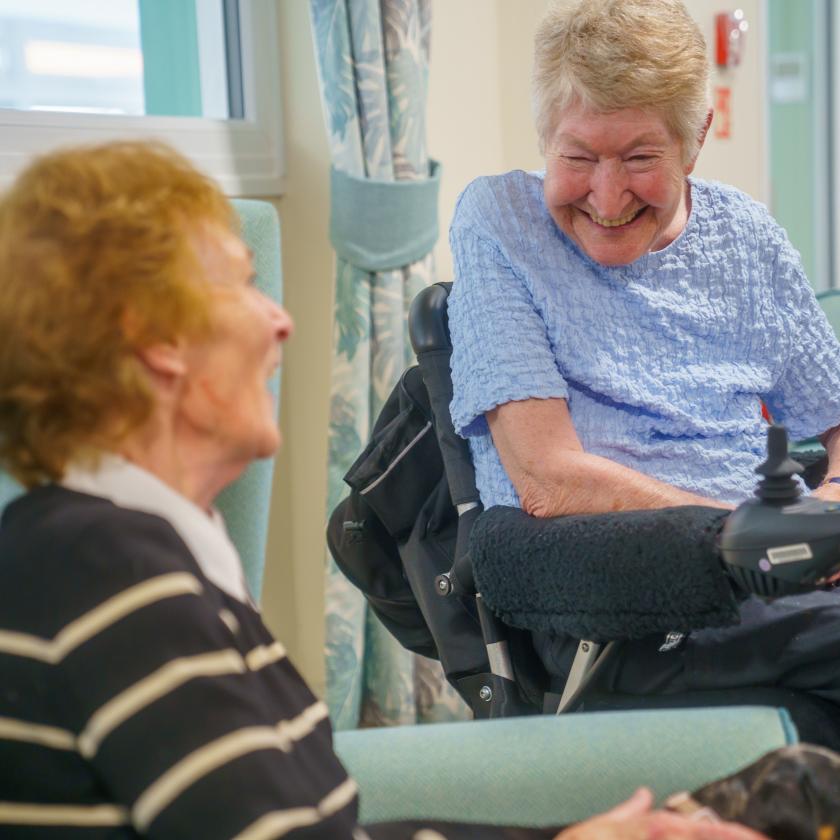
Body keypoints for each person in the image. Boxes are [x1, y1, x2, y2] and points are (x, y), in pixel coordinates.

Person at [0, 141, 767, 839]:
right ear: (155, 339)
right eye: (240, 286)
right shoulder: (103, 573)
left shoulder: (131, 556)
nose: (279, 323)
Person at [447, 0, 840, 706]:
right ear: (544, 139)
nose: (606, 195)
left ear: (696, 143)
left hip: (781, 577)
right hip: (620, 604)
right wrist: (753, 538)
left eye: (639, 158)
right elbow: (547, 478)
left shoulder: (745, 237)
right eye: (577, 157)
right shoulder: (500, 223)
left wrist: (828, 511)